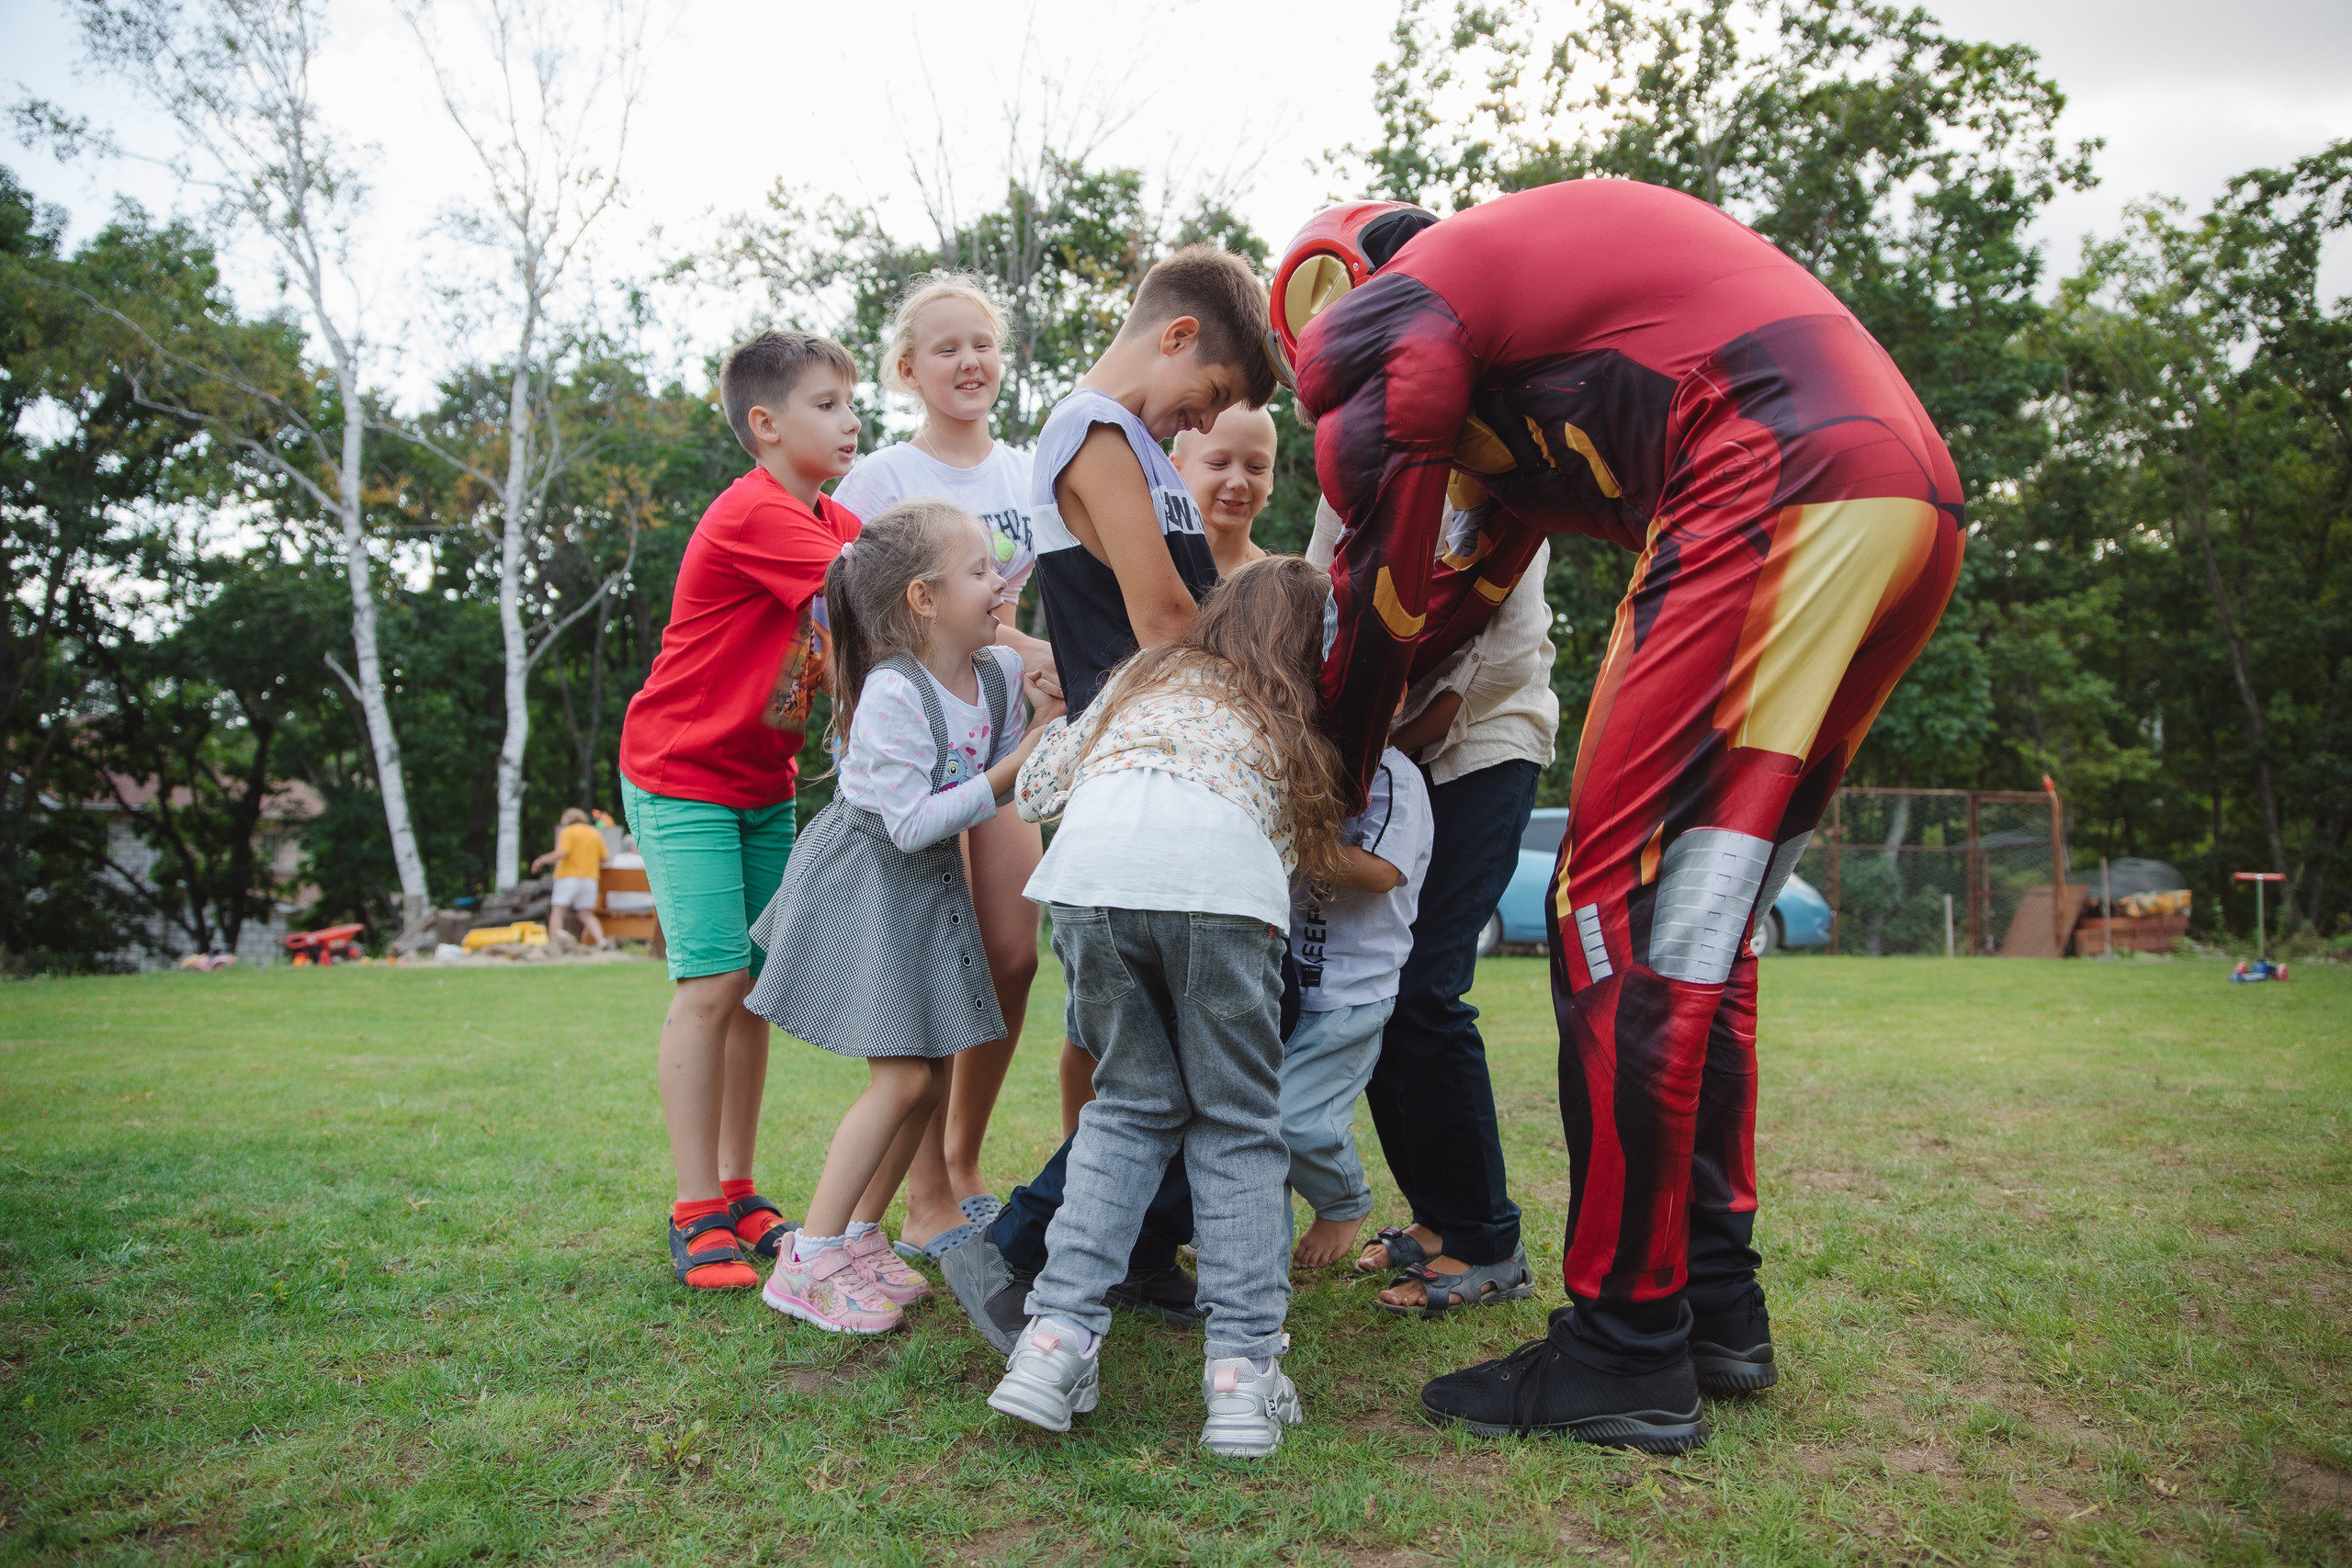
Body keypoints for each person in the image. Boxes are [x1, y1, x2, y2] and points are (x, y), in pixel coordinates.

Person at [1272, 185, 1964, 1450]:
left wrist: (1316, 768)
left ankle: (1625, 1344)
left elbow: (1380, 585)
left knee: (1614, 919)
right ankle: (1711, 1306)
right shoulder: (1538, 327)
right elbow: (1455, 598)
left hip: (1770, 473)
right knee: (1707, 929)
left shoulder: (1398, 323)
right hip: (1904, 493)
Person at [932, 244, 1279, 1349]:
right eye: (1209, 397)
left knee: (1178, 1054)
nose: (1197, 424)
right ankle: (1016, 1245)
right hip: (1135, 776)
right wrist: (1266, 712)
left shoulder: (1134, 444)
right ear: (1176, 336)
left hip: (1160, 764)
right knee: (1163, 1061)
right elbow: (1165, 618)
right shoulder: (1089, 429)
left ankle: (1128, 1247)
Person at [986, 557, 1348, 1457]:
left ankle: (1053, 1343)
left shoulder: (1144, 675)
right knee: (1235, 1128)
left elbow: (1036, 790)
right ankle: (1242, 1375)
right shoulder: (1290, 714)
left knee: (1126, 1112)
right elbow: (1302, 854)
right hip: (1221, 896)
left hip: (1091, 881)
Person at [746, 500, 1063, 1334]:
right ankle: (807, 1259)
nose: (1000, 583)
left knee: (927, 1074)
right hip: (869, 885)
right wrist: (1014, 768)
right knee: (904, 1078)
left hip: (924, 889)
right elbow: (912, 821)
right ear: (924, 598)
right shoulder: (892, 691)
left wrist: (1038, 729)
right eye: (979, 570)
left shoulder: (991, 673)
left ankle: (855, 1237)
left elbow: (1003, 772)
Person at [616, 329, 862, 1292]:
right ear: (765, 425)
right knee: (712, 984)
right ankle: (693, 1209)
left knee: (753, 987)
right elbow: (887, 611)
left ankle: (738, 1186)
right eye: (827, 405)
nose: (850, 421)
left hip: (760, 779)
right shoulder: (759, 515)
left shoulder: (832, 522)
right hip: (682, 774)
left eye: (850, 402)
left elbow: (894, 591)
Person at [831, 273, 1056, 1261]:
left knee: (1011, 951)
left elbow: (1019, 613)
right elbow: (834, 607)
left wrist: (1033, 663)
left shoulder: (1029, 474)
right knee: (929, 969)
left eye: (984, 344)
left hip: (1002, 735)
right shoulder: (878, 479)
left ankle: (964, 1159)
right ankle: (923, 1191)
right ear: (908, 367)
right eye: (946, 347)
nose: (970, 362)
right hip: (916, 750)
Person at [1309, 502, 1555, 1314]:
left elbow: (1509, 659)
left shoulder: (1514, 482)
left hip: (1481, 747)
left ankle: (1487, 1239)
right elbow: (1320, 596)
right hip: (1373, 745)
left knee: (1424, 988)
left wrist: (1397, 736)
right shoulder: (1360, 469)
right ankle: (1437, 1217)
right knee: (1376, 987)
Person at [1283, 740, 1434, 1269]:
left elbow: (1379, 872)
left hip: (1353, 992)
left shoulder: (1392, 774)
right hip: (1283, 983)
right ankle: (1256, 1243)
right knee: (1253, 1121)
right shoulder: (1293, 755)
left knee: (1297, 1120)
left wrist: (1275, 834)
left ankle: (1342, 1202)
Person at [1171, 403, 1276, 577]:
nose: (1238, 482)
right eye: (1218, 464)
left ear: (1270, 481)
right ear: (1177, 470)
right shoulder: (1150, 567)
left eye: (1256, 467)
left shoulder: (1282, 586)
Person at [530, 807, 609, 947]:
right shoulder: (594, 833)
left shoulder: (568, 832)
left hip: (568, 877)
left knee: (558, 911)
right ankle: (601, 941)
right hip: (590, 879)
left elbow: (563, 852)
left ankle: (554, 943)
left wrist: (542, 860)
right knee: (585, 913)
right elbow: (604, 858)